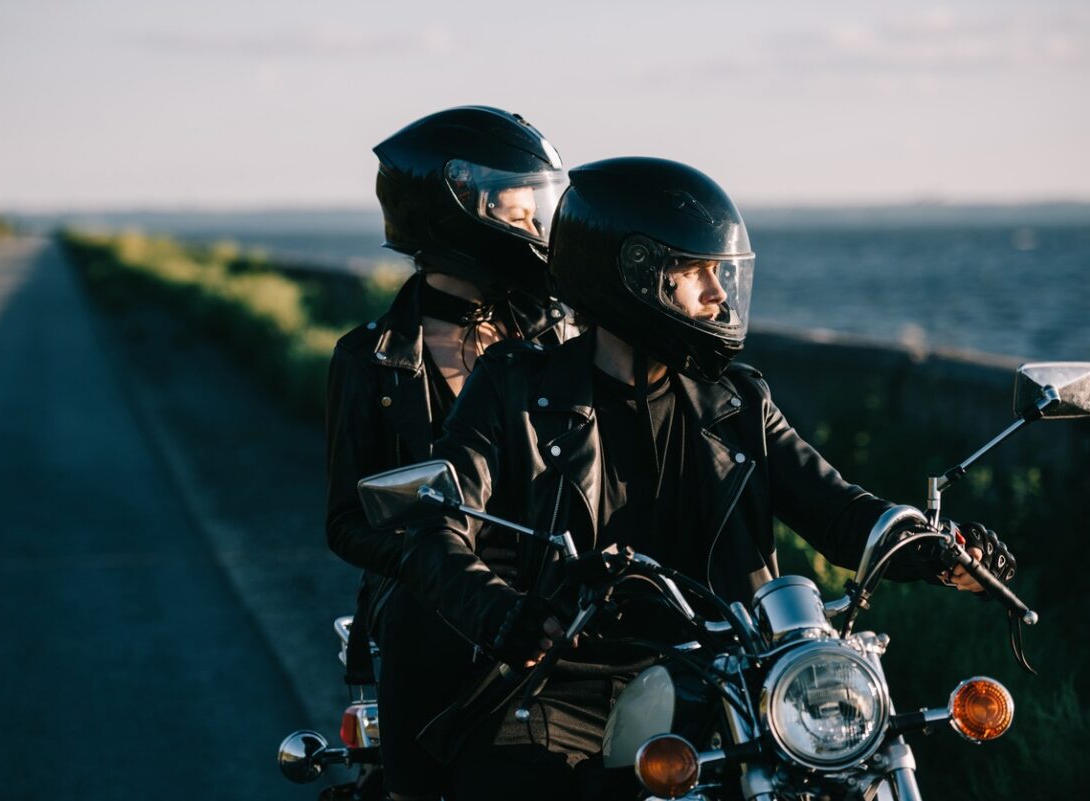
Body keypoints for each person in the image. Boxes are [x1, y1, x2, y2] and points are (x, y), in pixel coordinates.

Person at [397, 157, 1018, 800]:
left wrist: (938, 550)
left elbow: (839, 511)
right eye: (696, 273)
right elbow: (437, 525)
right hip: (565, 679)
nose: (719, 294)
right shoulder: (514, 389)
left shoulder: (738, 404)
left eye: (720, 273)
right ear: (632, 275)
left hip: (726, 678)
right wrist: (502, 614)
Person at [324, 106, 577, 801]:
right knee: (416, 613)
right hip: (430, 588)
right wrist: (432, 561)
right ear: (458, 209)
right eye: (518, 207)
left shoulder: (558, 340)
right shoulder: (371, 358)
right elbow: (345, 519)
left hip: (552, 574)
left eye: (539, 207)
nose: (535, 223)